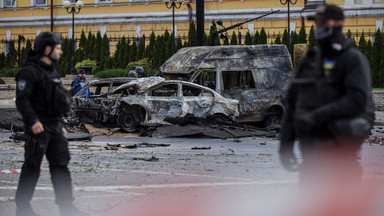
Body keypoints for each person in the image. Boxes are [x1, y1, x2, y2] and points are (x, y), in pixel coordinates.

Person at [279, 5, 375, 182]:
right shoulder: (308, 62)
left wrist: (317, 116)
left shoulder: (352, 60)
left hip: (340, 157)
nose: (319, 28)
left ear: (338, 24)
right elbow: (292, 103)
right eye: (317, 23)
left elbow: (357, 100)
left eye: (323, 23)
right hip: (310, 160)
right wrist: (286, 143)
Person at [15, 32, 88, 216]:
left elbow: (54, 99)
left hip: (55, 126)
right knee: (32, 166)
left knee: (61, 164)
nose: (61, 51)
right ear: (47, 49)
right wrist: (33, 121)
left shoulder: (51, 72)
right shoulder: (29, 72)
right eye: (58, 48)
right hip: (38, 127)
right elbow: (22, 101)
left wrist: (59, 123)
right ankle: (22, 208)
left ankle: (67, 207)